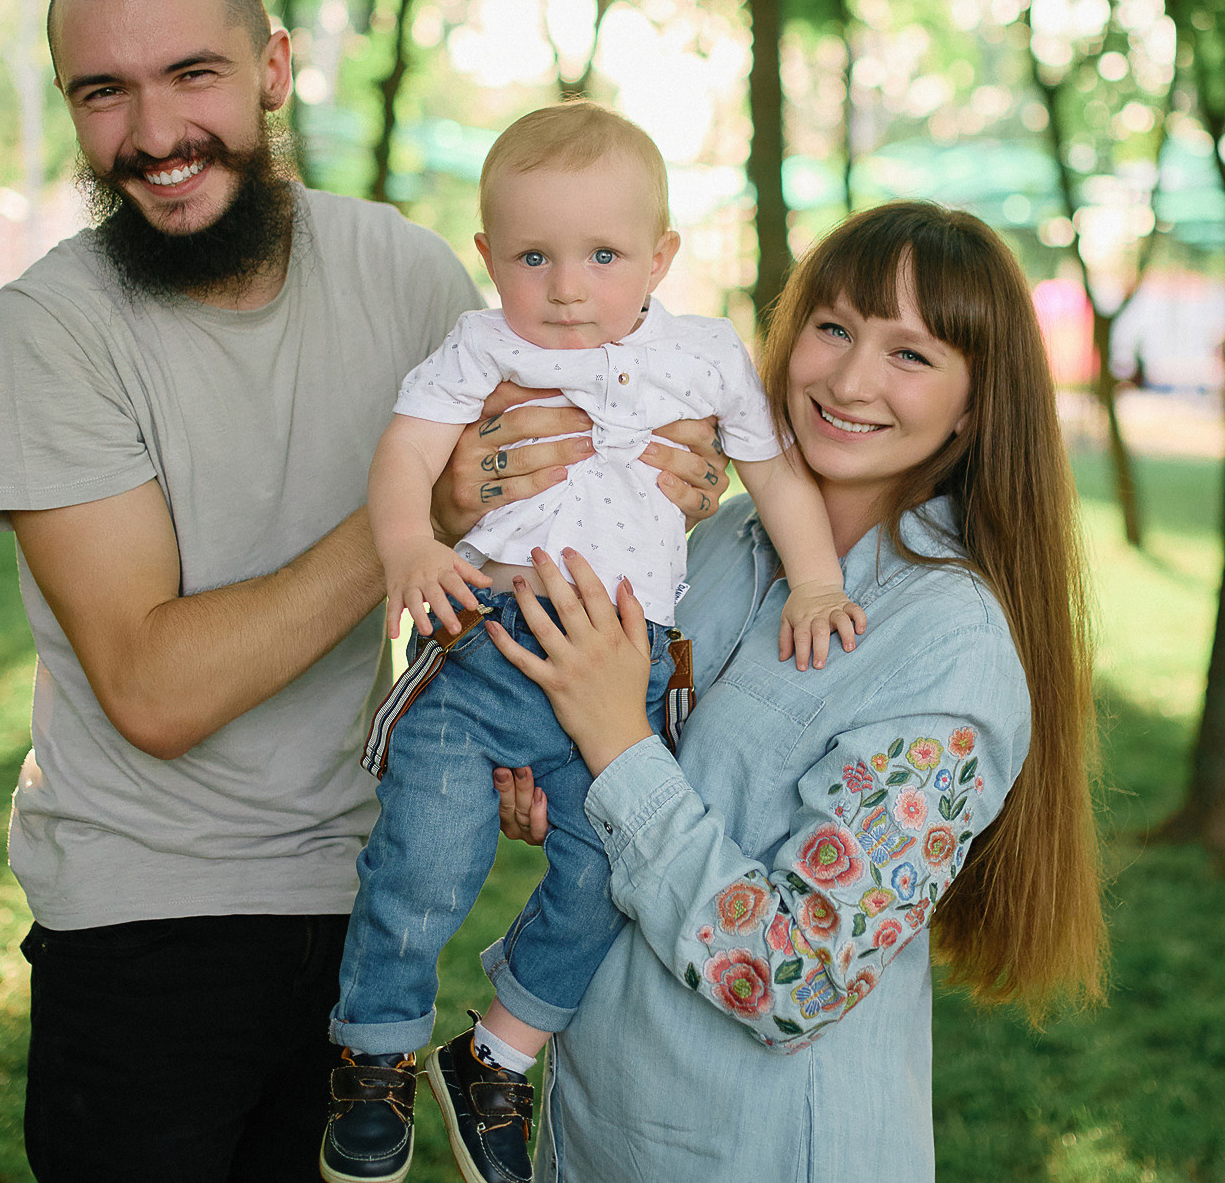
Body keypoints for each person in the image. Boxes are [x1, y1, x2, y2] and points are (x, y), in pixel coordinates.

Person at [0, 0, 731, 1183]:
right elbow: (151, 688)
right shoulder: (48, 331)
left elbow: (534, 512)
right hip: (142, 918)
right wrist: (419, 516)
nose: (155, 132)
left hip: (364, 885)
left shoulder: (410, 274)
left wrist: (663, 473)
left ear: (272, 67)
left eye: (191, 74)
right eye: (105, 93)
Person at [488, 200, 1107, 1181]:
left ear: (976, 403)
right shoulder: (721, 541)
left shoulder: (951, 644)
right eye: (835, 326)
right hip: (591, 1132)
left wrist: (616, 748)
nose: (851, 379)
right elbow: (649, 783)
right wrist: (561, 775)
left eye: (912, 354)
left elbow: (796, 971)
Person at [323, 102, 865, 1183]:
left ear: (662, 255)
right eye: (534, 255)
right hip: (490, 647)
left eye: (604, 255)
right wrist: (406, 548)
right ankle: (373, 1052)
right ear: (489, 257)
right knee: (423, 859)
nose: (568, 286)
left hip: (626, 661)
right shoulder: (481, 343)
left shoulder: (706, 357)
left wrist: (815, 578)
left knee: (603, 878)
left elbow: (774, 474)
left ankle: (499, 1052)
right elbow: (404, 454)